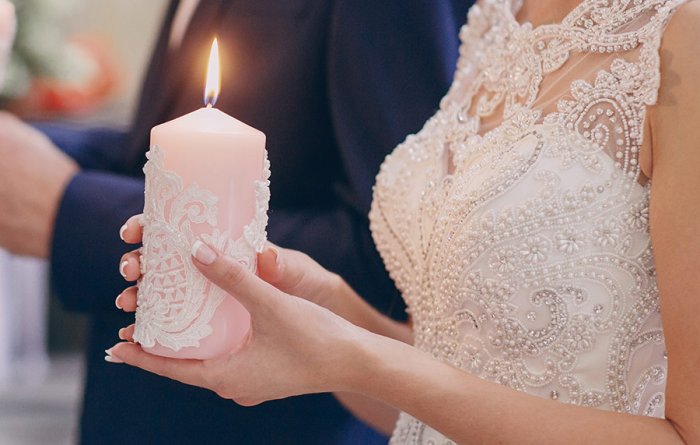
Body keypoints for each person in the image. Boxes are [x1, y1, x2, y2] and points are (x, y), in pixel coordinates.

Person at [109, 0, 700, 443]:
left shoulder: (682, 33)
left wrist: (356, 355)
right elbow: (441, 391)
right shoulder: (498, 17)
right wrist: (326, 307)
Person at [0, 1, 473, 443]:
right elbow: (165, 146)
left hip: (271, 423)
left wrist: (72, 210)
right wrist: (32, 153)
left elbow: (391, 252)